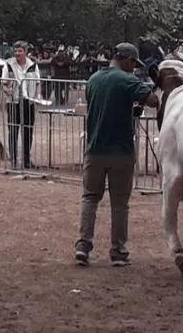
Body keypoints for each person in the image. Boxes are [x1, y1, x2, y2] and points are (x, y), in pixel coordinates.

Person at [74, 42, 158, 267]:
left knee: (90, 198)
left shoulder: (93, 80)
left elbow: (104, 107)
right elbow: (153, 100)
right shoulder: (128, 80)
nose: (134, 68)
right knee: (119, 203)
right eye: (133, 63)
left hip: (94, 149)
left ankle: (83, 247)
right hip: (121, 150)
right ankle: (118, 251)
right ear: (126, 59)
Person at [2, 41, 41, 169]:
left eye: (20, 51)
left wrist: (38, 96)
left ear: (26, 52)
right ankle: (13, 160)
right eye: (16, 51)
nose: (17, 53)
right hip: (14, 102)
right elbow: (3, 84)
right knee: (13, 131)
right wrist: (8, 91)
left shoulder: (33, 65)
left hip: (28, 102)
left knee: (28, 131)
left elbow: (38, 83)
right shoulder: (8, 65)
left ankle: (26, 159)